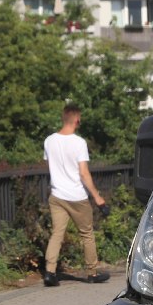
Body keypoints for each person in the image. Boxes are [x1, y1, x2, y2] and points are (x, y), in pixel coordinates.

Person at [42, 102, 110, 286]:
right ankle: (92, 273)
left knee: (57, 233)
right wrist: (98, 198)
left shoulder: (49, 141)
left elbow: (51, 167)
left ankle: (49, 272)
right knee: (87, 234)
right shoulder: (79, 143)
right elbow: (83, 173)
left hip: (56, 196)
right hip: (77, 197)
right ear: (77, 120)